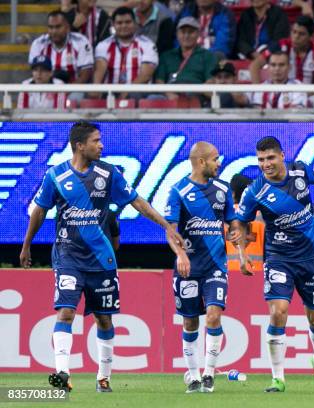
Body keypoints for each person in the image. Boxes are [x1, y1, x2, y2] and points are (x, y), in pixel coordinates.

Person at [19, 121, 184, 393]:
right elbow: (39, 211)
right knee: (66, 311)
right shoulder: (56, 175)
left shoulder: (108, 173)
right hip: (67, 255)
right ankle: (61, 372)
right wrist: (27, 245)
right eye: (96, 140)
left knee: (104, 319)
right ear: (80, 145)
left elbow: (138, 202)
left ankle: (103, 377)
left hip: (101, 259)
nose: (102, 145)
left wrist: (166, 226)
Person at [235, 136, 314, 392]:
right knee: (278, 311)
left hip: (311, 256)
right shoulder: (254, 191)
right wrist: (242, 253)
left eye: (270, 158)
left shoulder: (300, 170)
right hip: (279, 257)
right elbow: (240, 222)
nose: (266, 164)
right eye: (261, 160)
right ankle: (278, 378)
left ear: (282, 155)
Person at [165, 142, 249, 393]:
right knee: (190, 323)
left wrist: (239, 247)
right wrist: (180, 254)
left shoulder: (222, 190)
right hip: (188, 268)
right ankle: (193, 375)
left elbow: (234, 224)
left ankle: (209, 373)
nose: (219, 163)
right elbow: (170, 231)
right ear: (201, 162)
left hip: (215, 266)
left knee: (213, 314)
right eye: (215, 159)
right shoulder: (178, 191)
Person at [93, 7, 158, 92]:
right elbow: (99, 71)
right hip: (110, 94)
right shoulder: (103, 45)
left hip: (138, 93)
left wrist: (126, 92)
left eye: (128, 22)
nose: (124, 26)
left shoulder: (147, 45)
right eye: (119, 23)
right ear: (113, 25)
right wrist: (95, 90)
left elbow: (145, 76)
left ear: (135, 23)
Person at [155, 17, 218, 103]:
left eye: (191, 32)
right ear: (177, 34)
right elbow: (159, 81)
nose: (186, 36)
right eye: (183, 32)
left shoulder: (208, 55)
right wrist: (168, 94)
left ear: (198, 34)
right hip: (170, 94)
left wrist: (193, 89)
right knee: (153, 98)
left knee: (189, 96)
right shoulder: (166, 56)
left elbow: (210, 82)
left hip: (195, 94)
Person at [249, 16, 314, 85]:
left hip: (309, 96)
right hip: (283, 94)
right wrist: (258, 91)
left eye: (301, 34)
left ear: (311, 36)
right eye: (294, 32)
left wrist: (300, 96)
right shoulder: (281, 45)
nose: (296, 37)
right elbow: (254, 66)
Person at [29, 10, 94, 84]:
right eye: (51, 27)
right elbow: (35, 73)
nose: (54, 31)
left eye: (58, 27)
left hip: (74, 88)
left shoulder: (81, 41)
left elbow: (85, 74)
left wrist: (65, 91)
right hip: (46, 88)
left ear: (67, 27)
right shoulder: (38, 44)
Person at [225, 174, 264, 272]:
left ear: (233, 193)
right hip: (257, 271)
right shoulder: (261, 215)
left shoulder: (224, 215)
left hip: (229, 272)